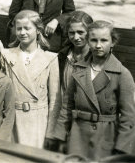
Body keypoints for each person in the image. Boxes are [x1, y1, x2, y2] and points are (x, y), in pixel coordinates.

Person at [52, 21, 135, 160]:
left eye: (104, 40)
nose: (98, 45)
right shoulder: (78, 69)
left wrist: (121, 148)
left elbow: (129, 117)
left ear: (113, 42)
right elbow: (67, 107)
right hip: (77, 136)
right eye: (93, 40)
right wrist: (60, 137)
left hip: (106, 139)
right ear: (88, 41)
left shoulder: (122, 74)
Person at [2, 10, 60, 149]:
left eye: (27, 28)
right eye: (19, 28)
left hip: (38, 121)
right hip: (12, 119)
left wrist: (50, 132)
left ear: (38, 30)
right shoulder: (6, 55)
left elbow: (55, 100)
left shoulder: (50, 58)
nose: (22, 32)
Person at [57, 11, 93, 96]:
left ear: (90, 32)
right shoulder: (63, 56)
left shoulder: (97, 58)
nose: (76, 38)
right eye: (72, 33)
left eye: (80, 32)